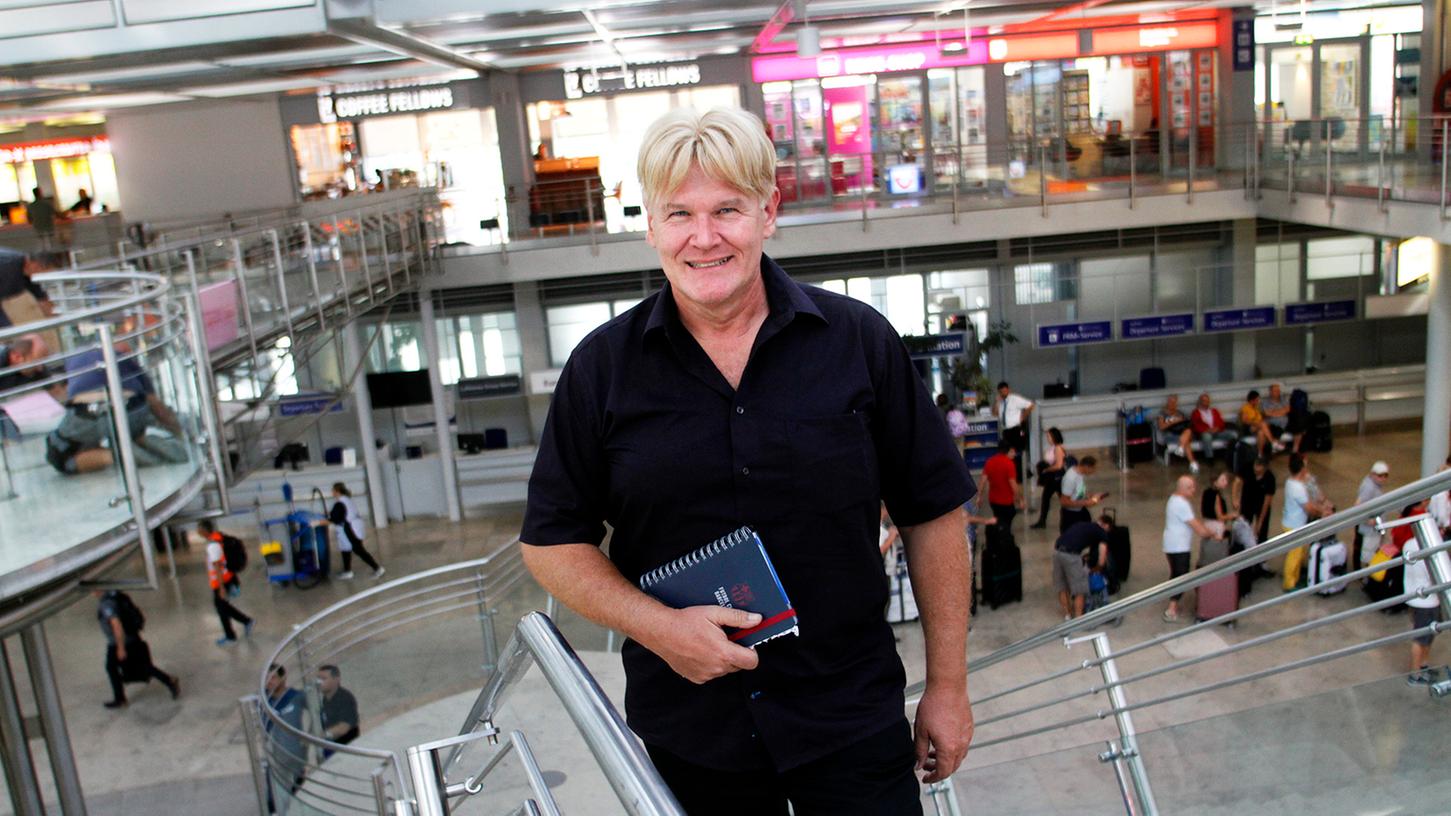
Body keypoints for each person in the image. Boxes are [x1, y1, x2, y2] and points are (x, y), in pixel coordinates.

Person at [519, 107, 975, 814]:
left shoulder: (857, 342)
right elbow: (551, 541)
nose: (703, 238)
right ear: (649, 225)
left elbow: (934, 514)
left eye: (726, 209)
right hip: (694, 739)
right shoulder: (600, 370)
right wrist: (654, 625)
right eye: (678, 215)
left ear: (769, 211)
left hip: (849, 721)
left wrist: (948, 686)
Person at [44, 335, 189, 475]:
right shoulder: (127, 361)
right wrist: (181, 434)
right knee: (123, 428)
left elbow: (65, 396)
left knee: (59, 455)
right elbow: (157, 406)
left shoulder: (74, 359)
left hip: (92, 413)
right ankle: (141, 440)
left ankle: (119, 455)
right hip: (134, 408)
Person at [94, 590, 179, 708]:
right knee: (140, 667)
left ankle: (120, 699)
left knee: (118, 668)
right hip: (130, 638)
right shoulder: (115, 595)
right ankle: (169, 681)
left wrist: (120, 648)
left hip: (120, 642)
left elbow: (116, 625)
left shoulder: (106, 604)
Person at [1162, 475, 1223, 622]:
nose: (1194, 490)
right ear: (1184, 488)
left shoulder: (1173, 499)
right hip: (1179, 546)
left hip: (1170, 544)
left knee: (1175, 574)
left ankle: (1174, 605)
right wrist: (1213, 532)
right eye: (1191, 488)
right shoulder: (1182, 504)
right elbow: (1198, 529)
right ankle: (1171, 608)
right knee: (1181, 576)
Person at [1280, 454, 1333, 592]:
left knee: (1300, 553)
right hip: (1294, 525)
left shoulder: (1290, 482)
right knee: (1294, 555)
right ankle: (1289, 583)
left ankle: (1296, 577)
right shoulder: (1298, 488)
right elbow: (1309, 508)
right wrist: (1323, 512)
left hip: (1294, 523)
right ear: (1302, 469)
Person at [199, 520, 255, 646]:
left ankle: (234, 632)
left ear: (204, 530)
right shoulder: (218, 540)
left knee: (222, 608)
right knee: (222, 608)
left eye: (199, 529)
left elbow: (217, 566)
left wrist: (221, 588)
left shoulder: (213, 545)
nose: (198, 532)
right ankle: (242, 625)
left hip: (221, 582)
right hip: (226, 579)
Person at [1403, 517, 1444, 686]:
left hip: (1415, 598)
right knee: (1421, 638)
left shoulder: (1409, 544)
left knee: (1427, 636)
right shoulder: (1430, 549)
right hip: (1427, 602)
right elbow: (1435, 575)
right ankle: (1415, 674)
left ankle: (1423, 665)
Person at [263, 663, 308, 809]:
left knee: (298, 792)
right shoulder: (263, 701)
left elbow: (316, 710)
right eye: (267, 679)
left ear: (283, 678)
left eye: (273, 678)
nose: (269, 682)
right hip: (276, 756)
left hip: (295, 754)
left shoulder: (295, 697)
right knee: (275, 796)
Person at [1053, 516, 1111, 620]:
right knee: (1080, 589)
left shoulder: (1083, 524)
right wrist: (1096, 569)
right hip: (1071, 555)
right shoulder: (1101, 532)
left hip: (1057, 551)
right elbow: (1102, 559)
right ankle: (1079, 620)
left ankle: (1068, 615)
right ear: (1105, 525)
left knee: (1062, 586)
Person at [328, 482, 385, 579]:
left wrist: (318, 522)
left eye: (333, 490)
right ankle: (347, 571)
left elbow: (334, 518)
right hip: (354, 526)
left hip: (350, 528)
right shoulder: (347, 500)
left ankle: (378, 568)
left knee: (358, 549)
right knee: (345, 549)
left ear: (337, 491)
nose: (332, 492)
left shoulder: (340, 503)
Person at [1351, 461, 1391, 573]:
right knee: (1368, 551)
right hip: (1369, 529)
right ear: (1372, 474)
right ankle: (1365, 573)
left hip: (1372, 526)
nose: (1383, 478)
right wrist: (1368, 520)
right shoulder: (1369, 487)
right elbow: (1357, 506)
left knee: (1366, 549)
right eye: (1380, 475)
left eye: (1385, 475)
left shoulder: (1372, 484)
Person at [979, 439, 1023, 537]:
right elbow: (1013, 484)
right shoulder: (1009, 463)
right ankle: (1004, 539)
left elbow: (983, 480)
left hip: (994, 500)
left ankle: (998, 537)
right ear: (1007, 451)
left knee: (999, 519)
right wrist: (1019, 499)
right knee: (1007, 521)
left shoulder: (989, 461)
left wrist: (979, 496)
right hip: (1006, 501)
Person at [317, 664, 361, 757]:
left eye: (324, 679)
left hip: (346, 748)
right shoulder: (325, 700)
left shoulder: (344, 698)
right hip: (331, 748)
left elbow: (344, 727)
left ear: (336, 679)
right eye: (318, 679)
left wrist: (322, 736)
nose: (319, 682)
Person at [993, 381, 1034, 480]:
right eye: (1001, 392)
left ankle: (1022, 474)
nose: (1003, 394)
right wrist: (997, 402)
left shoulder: (1015, 399)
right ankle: (1013, 474)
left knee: (1018, 452)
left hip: (1016, 429)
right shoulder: (1001, 402)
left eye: (1005, 391)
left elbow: (1030, 405)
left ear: (1008, 390)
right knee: (1008, 453)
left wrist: (1023, 417)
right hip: (1006, 430)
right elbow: (994, 413)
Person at [1058, 455, 1106, 534]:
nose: (1094, 471)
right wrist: (1086, 503)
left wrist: (1089, 496)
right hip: (1071, 515)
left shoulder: (1080, 474)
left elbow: (1078, 491)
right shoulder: (1070, 478)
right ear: (1086, 467)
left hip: (1080, 511)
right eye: (1093, 468)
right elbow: (1064, 501)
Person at [1030, 427, 1066, 529]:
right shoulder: (1052, 448)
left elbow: (1059, 465)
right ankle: (1042, 520)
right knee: (1046, 498)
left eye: (1049, 436)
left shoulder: (1058, 448)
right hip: (1052, 478)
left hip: (1057, 478)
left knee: (1062, 499)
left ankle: (1065, 519)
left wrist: (1047, 470)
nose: (1048, 439)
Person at [1189, 393, 1236, 466]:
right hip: (1204, 432)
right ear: (1200, 402)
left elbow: (1221, 422)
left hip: (1217, 432)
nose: (1206, 403)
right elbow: (1195, 426)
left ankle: (1231, 455)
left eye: (1207, 401)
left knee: (1233, 434)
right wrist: (1207, 430)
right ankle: (1210, 458)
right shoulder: (1195, 413)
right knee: (1207, 437)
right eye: (1204, 401)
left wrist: (1217, 428)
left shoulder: (1214, 411)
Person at [1157, 394, 1198, 473]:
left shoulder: (1179, 413)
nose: (1172, 404)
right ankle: (1192, 462)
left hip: (1181, 433)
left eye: (1174, 402)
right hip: (1169, 434)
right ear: (1167, 402)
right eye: (1170, 402)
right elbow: (1161, 427)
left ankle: (1182, 449)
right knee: (1186, 441)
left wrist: (1181, 420)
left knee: (1188, 431)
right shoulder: (1162, 413)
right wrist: (1173, 422)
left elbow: (1186, 424)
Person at [1238, 390, 1281, 457]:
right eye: (1257, 400)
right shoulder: (1245, 408)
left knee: (1261, 432)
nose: (1258, 401)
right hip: (1248, 428)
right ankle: (1273, 442)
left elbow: (1261, 418)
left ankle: (1260, 454)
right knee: (1262, 424)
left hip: (1258, 428)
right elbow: (1245, 421)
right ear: (1252, 400)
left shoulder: (1257, 408)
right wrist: (1256, 423)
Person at [1260, 383, 1302, 453]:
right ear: (1270, 392)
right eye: (1275, 391)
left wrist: (1274, 412)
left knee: (1298, 429)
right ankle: (1274, 448)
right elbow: (1267, 413)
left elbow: (1288, 410)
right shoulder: (1265, 402)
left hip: (1286, 422)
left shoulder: (1284, 399)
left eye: (1278, 390)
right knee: (1272, 432)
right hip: (1273, 424)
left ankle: (1295, 450)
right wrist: (1281, 412)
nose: (1278, 392)